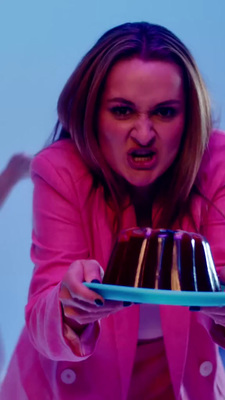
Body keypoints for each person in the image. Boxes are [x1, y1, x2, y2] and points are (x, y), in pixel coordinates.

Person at [1, 21, 225, 400]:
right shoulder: (60, 169)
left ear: (190, 120)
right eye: (122, 111)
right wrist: (68, 306)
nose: (143, 134)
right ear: (91, 114)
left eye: (165, 113)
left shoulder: (216, 162)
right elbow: (42, 308)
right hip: (61, 388)